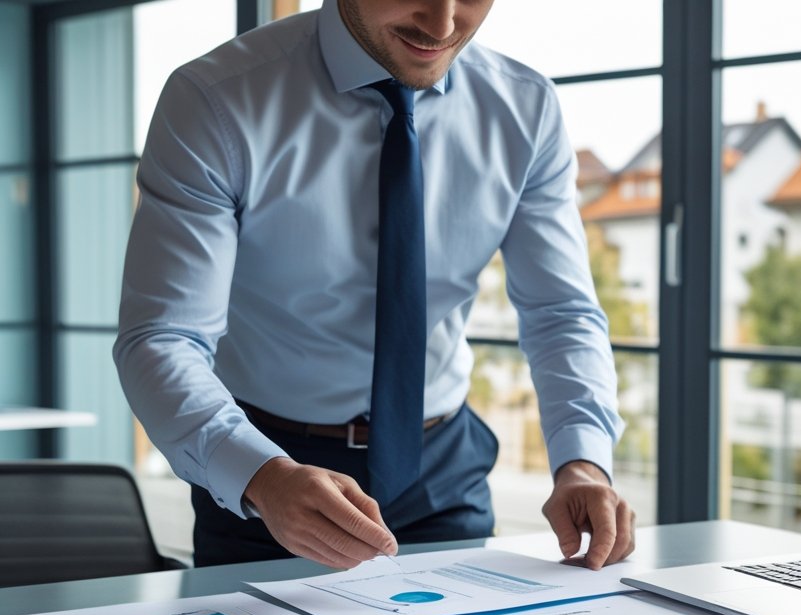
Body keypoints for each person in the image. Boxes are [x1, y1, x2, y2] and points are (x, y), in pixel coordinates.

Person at [114, 0, 634, 571]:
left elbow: (561, 312)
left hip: (443, 471)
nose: (442, 24)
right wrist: (262, 474)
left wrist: (583, 462)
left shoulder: (525, 107)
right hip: (269, 475)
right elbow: (163, 339)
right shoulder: (216, 100)